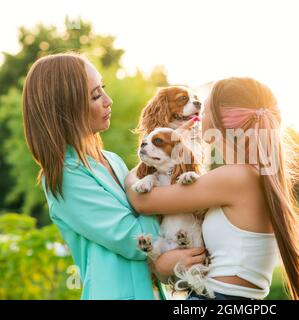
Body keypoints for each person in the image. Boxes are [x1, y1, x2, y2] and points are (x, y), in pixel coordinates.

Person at [125, 77, 299, 300]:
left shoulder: (235, 177)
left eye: (205, 105)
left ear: (221, 118)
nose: (199, 111)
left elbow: (142, 201)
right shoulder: (253, 174)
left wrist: (145, 160)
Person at [22, 53, 205, 300]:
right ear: (67, 108)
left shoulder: (113, 160)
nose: (108, 101)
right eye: (96, 95)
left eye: (103, 89)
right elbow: (135, 240)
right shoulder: (66, 176)